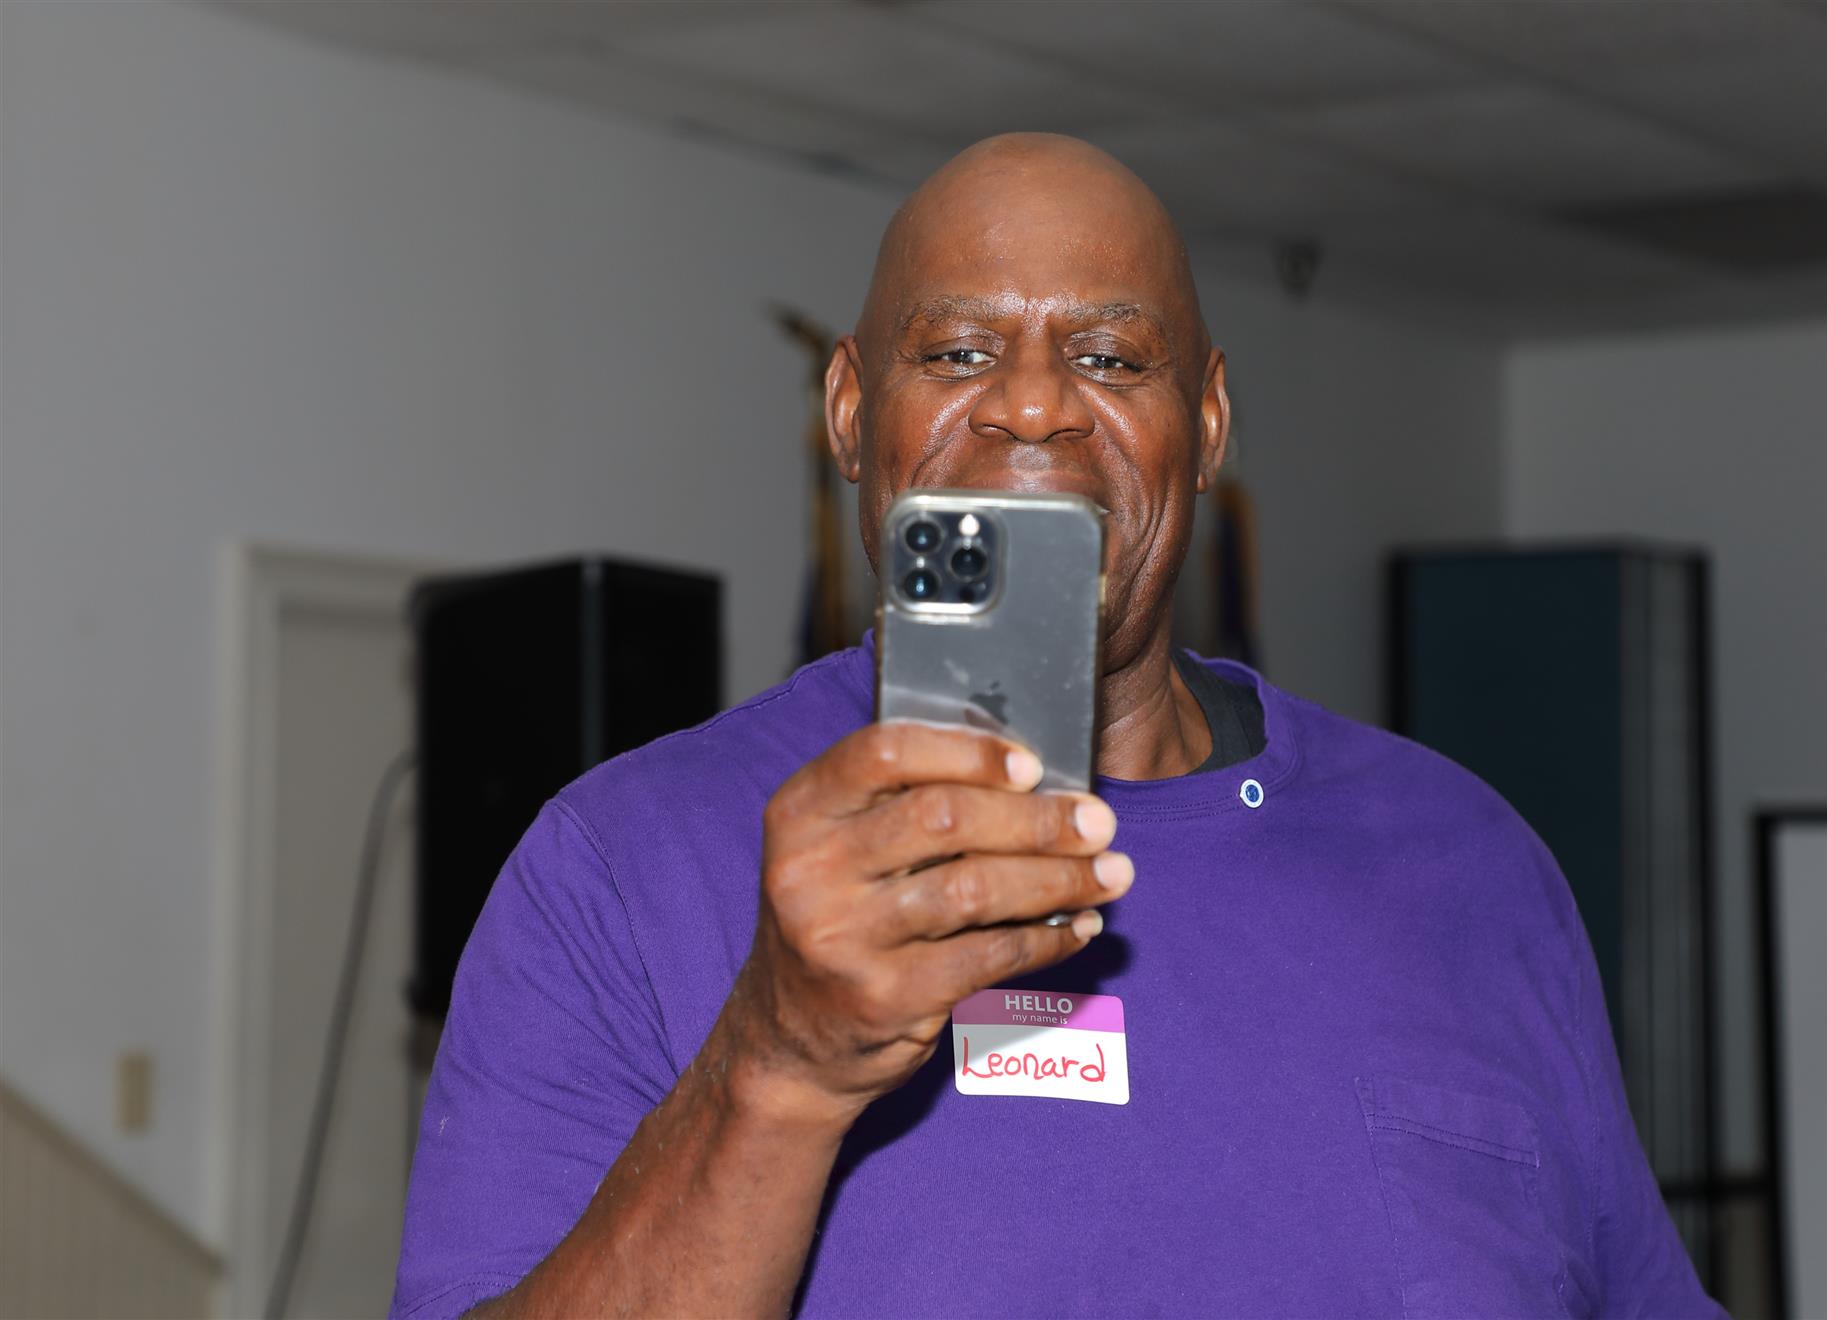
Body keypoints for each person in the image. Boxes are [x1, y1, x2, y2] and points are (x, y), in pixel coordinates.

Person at [391, 133, 1724, 1319]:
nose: (1032, 405)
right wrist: (775, 1067)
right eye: (959, 352)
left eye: (1109, 357)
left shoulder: (1469, 864)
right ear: (851, 412)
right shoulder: (621, 870)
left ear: (1206, 423)